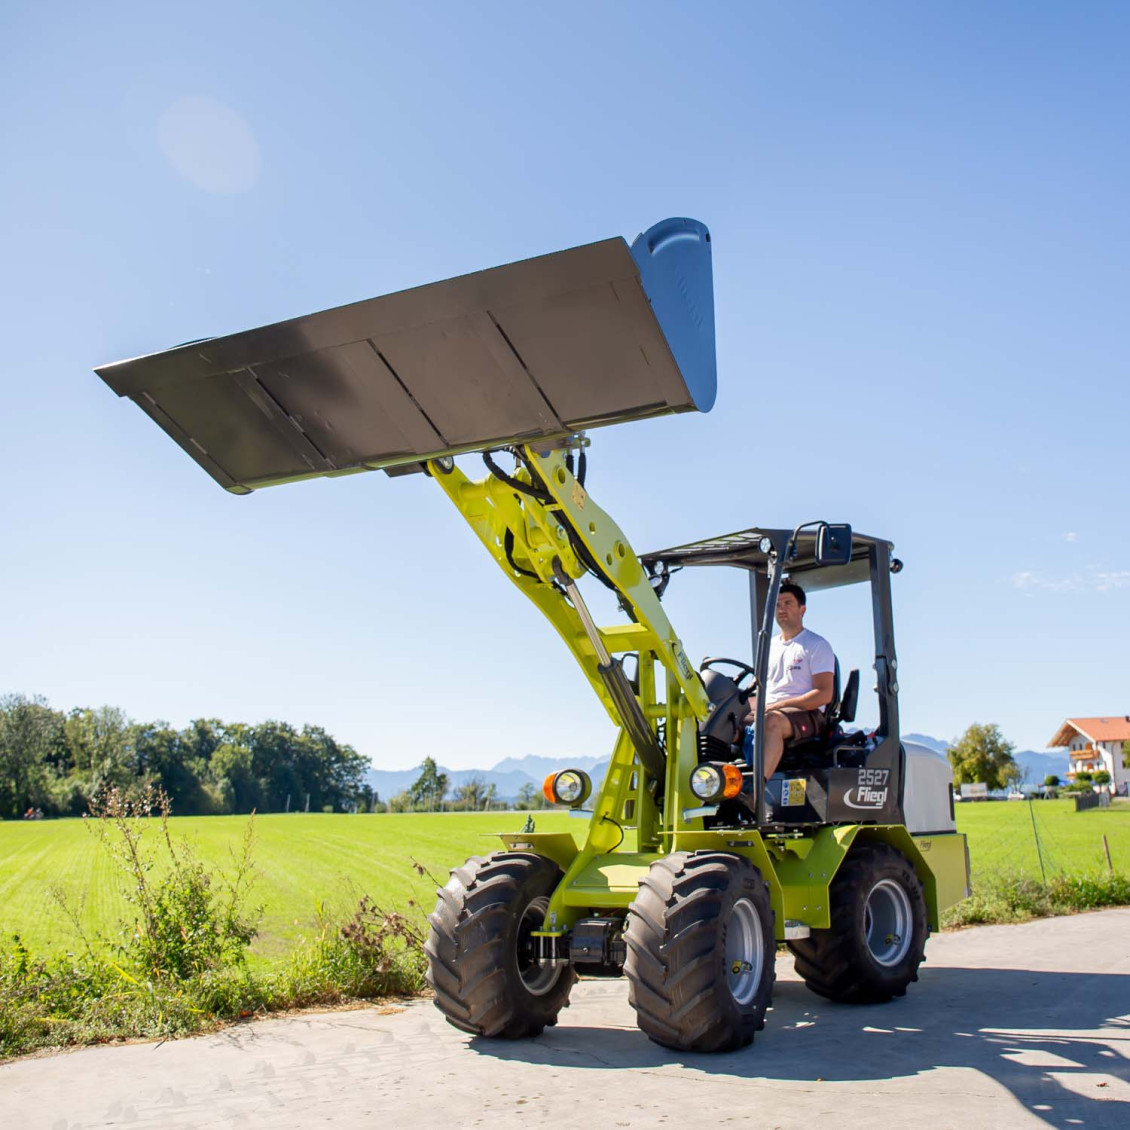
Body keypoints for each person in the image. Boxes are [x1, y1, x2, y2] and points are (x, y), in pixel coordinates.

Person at [741, 580, 835, 777]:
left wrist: (779, 705)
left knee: (770, 721)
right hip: (770, 709)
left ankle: (757, 786)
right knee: (725, 721)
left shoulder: (816, 645)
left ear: (802, 609)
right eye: (777, 605)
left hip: (807, 713)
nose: (781, 609)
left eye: (787, 603)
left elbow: (824, 694)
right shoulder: (768, 646)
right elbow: (765, 689)